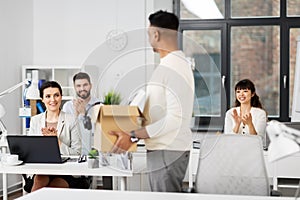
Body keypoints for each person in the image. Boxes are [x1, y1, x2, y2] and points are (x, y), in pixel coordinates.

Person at [109, 10, 195, 192]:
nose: (149, 39)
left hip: (168, 151)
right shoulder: (169, 65)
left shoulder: (174, 67)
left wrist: (134, 134)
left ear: (156, 34)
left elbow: (175, 119)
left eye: (149, 34)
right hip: (163, 150)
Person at [28, 81, 82, 192]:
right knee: (39, 182)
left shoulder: (71, 120)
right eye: (48, 96)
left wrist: (57, 142)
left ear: (61, 97)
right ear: (42, 99)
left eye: (56, 95)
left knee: (53, 188)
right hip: (43, 169)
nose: (52, 100)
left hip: (66, 171)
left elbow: (77, 153)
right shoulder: (35, 121)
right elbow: (31, 151)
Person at [62, 72, 100, 155]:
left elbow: (96, 134)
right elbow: (67, 134)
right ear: (75, 88)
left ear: (91, 85)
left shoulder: (99, 106)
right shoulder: (68, 107)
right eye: (78, 86)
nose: (82, 88)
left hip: (94, 155)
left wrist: (83, 114)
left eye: (85, 85)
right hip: (74, 155)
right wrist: (76, 115)